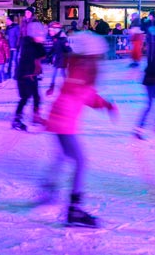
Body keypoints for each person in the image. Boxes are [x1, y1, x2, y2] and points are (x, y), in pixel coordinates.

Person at [42, 31, 118, 228]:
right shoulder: (83, 70)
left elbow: (85, 95)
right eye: (99, 55)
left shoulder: (80, 68)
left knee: (64, 156)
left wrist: (106, 105)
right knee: (80, 161)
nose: (101, 59)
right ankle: (74, 209)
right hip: (63, 122)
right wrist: (106, 105)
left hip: (60, 120)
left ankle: (49, 187)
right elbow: (80, 94)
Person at [12, 21, 47, 131]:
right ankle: (16, 120)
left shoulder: (36, 44)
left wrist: (40, 43)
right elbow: (30, 56)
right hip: (24, 75)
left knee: (37, 96)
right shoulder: (27, 43)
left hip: (32, 75)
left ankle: (36, 116)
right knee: (25, 97)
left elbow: (43, 55)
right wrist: (38, 43)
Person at [46, 21, 70, 96]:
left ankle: (67, 87)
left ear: (56, 30)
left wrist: (72, 58)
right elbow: (54, 47)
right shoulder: (55, 37)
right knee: (55, 73)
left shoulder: (63, 39)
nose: (49, 32)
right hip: (58, 58)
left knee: (62, 74)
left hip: (63, 59)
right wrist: (49, 54)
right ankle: (52, 87)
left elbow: (68, 49)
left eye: (50, 30)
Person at [4, 15, 20, 81]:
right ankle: (9, 74)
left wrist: (17, 45)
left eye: (7, 20)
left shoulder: (16, 27)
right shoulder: (8, 28)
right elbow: (6, 37)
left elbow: (19, 37)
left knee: (15, 61)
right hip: (9, 47)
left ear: (11, 20)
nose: (6, 21)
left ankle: (16, 74)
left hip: (14, 47)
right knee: (9, 61)